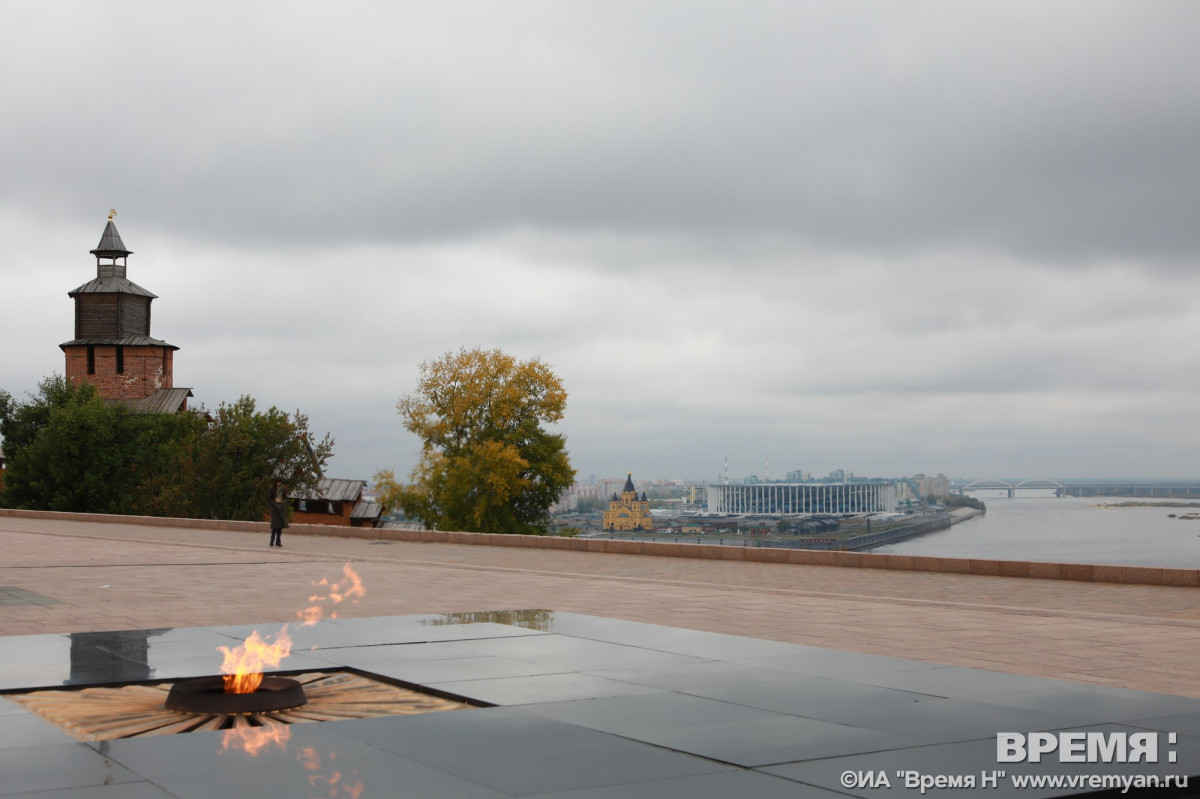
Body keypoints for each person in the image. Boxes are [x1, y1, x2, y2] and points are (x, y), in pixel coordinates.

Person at [269, 481, 288, 547]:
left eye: (280, 482)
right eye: (278, 482)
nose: (279, 483)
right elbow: (270, 499)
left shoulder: (282, 489)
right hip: (274, 509)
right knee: (275, 526)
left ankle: (278, 541)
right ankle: (272, 541)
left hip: (281, 508)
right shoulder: (272, 489)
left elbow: (285, 498)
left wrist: (282, 503)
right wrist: (275, 504)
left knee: (280, 526)